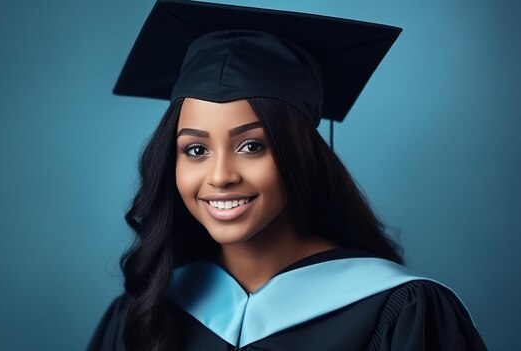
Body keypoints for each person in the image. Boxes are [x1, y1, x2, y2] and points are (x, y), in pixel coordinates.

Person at [88, 1, 487, 350]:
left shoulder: (402, 310)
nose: (221, 176)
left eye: (252, 146)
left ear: (299, 154)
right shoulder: (144, 313)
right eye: (196, 150)